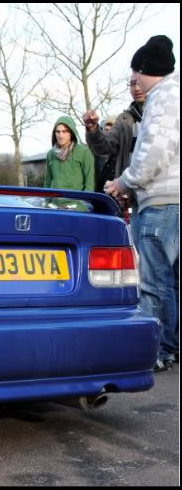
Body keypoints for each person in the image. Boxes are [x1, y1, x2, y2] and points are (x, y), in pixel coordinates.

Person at [104, 35, 179, 373]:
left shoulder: (163, 97)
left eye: (136, 74)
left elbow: (153, 153)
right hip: (174, 199)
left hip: (161, 203)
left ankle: (156, 351)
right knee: (172, 282)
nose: (134, 82)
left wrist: (124, 182)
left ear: (147, 69)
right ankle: (171, 346)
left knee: (153, 283)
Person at [83, 78, 146, 200]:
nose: (137, 88)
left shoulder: (165, 114)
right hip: (128, 195)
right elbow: (104, 147)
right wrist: (93, 129)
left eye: (140, 83)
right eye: (132, 84)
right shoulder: (124, 120)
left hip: (161, 194)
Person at [43, 116, 94, 192]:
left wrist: (85, 201)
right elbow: (48, 182)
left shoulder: (84, 152)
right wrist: (46, 200)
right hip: (54, 202)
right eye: (58, 131)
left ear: (71, 133)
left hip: (77, 202)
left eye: (65, 131)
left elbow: (89, 182)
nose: (60, 135)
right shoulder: (51, 154)